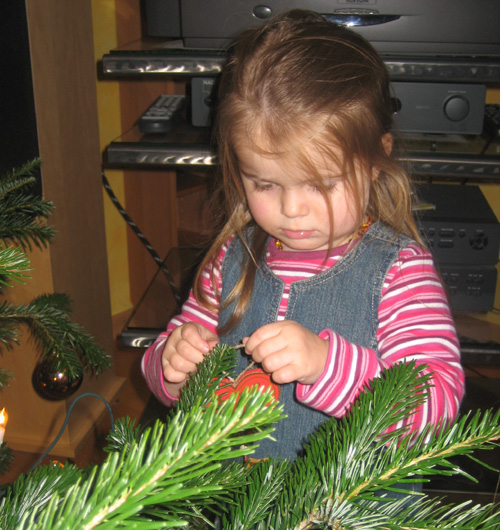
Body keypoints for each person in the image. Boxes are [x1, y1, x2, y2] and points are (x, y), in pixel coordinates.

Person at [142, 9, 464, 461]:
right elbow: (173, 362)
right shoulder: (230, 259)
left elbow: (437, 409)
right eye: (264, 184)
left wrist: (327, 366)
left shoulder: (400, 273)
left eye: (322, 184)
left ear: (376, 161)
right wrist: (171, 367)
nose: (292, 209)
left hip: (349, 506)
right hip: (237, 500)